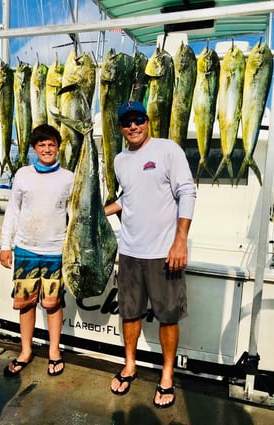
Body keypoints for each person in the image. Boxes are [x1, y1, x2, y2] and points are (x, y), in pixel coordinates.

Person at [105, 101, 196, 408]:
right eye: (127, 122)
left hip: (163, 253)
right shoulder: (119, 160)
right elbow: (126, 199)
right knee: (129, 313)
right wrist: (94, 213)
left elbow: (187, 191)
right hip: (129, 252)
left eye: (138, 120)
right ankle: (130, 364)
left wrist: (180, 241)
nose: (133, 126)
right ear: (120, 127)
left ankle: (167, 374)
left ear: (147, 121)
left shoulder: (168, 150)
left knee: (168, 317)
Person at [0, 124, 74, 377]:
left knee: (53, 305)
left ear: (58, 147)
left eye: (51, 144)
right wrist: (5, 245)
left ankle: (54, 351)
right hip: (25, 250)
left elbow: (74, 215)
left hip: (56, 251)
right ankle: (25, 351)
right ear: (34, 149)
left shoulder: (69, 177)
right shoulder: (22, 174)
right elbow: (13, 210)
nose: (47, 149)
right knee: (26, 304)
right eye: (41, 145)